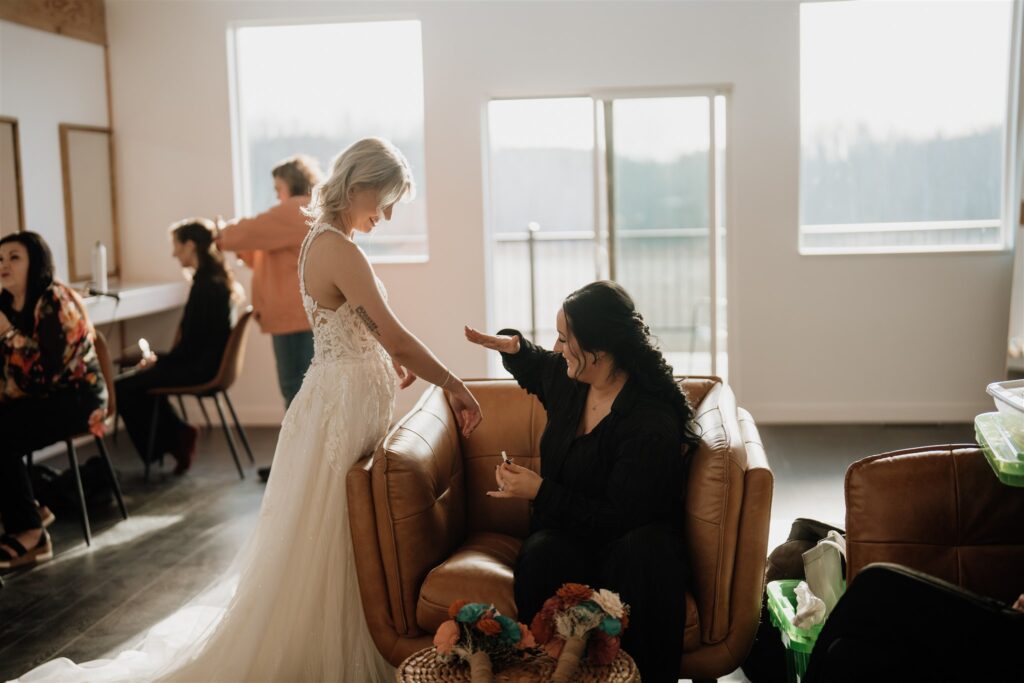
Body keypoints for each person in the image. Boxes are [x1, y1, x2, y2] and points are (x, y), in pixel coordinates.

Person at [13, 138, 483, 683]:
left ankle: (365, 625)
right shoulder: (338, 248)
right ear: (357, 188)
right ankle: (336, 643)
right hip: (340, 408)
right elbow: (395, 335)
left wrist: (382, 352)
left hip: (344, 398)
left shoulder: (324, 241)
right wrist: (455, 384)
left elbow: (364, 325)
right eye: (386, 199)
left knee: (345, 525)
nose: (390, 213)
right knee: (335, 529)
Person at [465, 280, 700, 683]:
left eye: (562, 339)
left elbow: (622, 516)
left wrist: (539, 491)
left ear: (599, 349)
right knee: (541, 551)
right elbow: (539, 366)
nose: (556, 348)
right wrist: (515, 348)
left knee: (647, 550)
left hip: (628, 545)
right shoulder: (574, 381)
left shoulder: (649, 420)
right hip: (572, 538)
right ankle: (546, 672)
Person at [0, 231, 107, 569]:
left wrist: (7, 334)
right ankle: (30, 507)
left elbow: (45, 373)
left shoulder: (55, 300)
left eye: (14, 257)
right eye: (0, 259)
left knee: (2, 433)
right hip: (38, 398)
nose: (4, 265)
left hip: (78, 399)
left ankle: (30, 532)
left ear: (36, 262)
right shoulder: (6, 302)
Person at [216, 155, 323, 481]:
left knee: (296, 389)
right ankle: (301, 462)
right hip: (297, 316)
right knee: (301, 389)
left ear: (290, 183)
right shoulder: (308, 211)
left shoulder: (296, 208)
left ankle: (298, 466)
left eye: (278, 188)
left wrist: (220, 231)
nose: (277, 195)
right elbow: (262, 252)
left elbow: (248, 232)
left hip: (293, 318)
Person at [115, 218, 240, 475]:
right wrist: (160, 361)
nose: (173, 253)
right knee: (139, 379)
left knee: (123, 386)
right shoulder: (212, 280)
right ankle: (177, 435)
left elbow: (191, 348)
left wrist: (159, 360)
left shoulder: (205, 286)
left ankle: (177, 438)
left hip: (200, 368)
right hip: (204, 363)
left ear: (190, 245)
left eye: (176, 246)